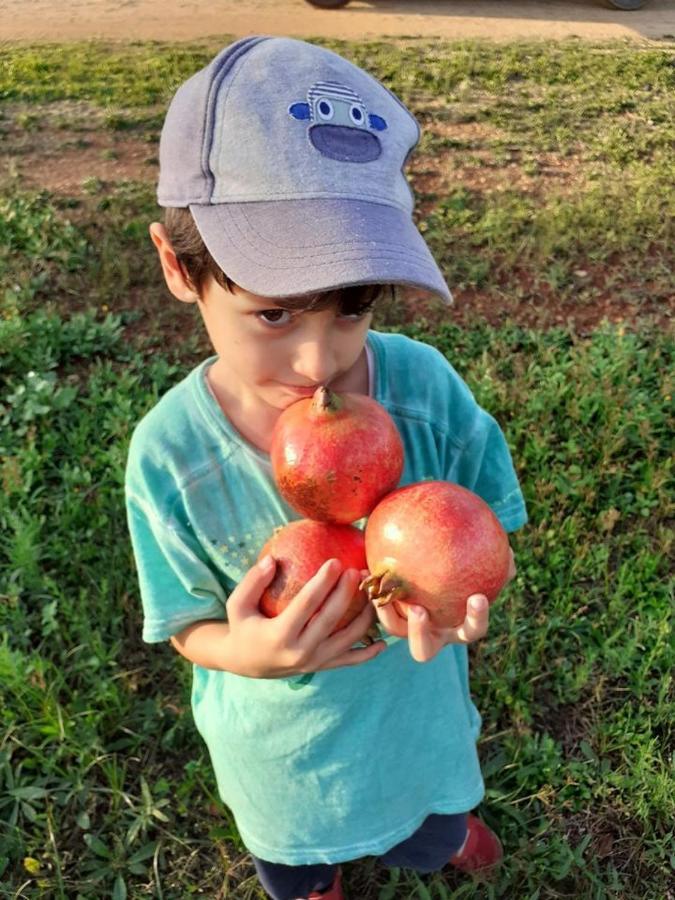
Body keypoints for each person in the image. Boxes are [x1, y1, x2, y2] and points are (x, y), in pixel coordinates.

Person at [125, 36, 527, 900]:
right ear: (177, 268)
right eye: (274, 312)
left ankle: (440, 830)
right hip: (286, 766)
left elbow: (490, 533)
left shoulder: (422, 392)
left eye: (352, 308)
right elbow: (188, 623)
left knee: (429, 819)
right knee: (298, 859)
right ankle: (315, 878)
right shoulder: (170, 458)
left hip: (416, 726)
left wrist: (458, 599)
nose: (319, 363)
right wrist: (253, 652)